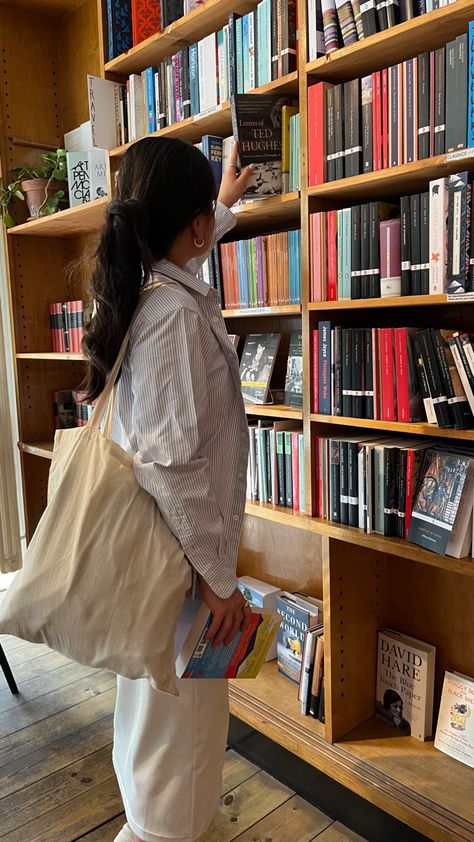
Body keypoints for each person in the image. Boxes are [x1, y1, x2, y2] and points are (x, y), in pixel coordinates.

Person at [81, 136, 255, 842]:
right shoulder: (176, 316)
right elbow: (174, 466)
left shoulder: (149, 289)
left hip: (157, 562)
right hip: (184, 570)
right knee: (179, 752)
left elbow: (161, 451)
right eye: (206, 219)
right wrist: (218, 580)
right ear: (192, 228)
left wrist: (222, 206)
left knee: (155, 728)